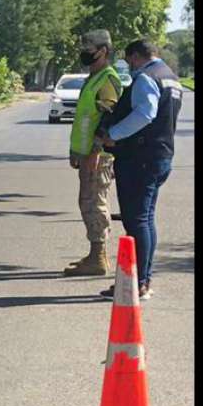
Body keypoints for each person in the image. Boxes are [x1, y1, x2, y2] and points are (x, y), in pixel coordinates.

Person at [97, 38, 184, 300]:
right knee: (145, 220)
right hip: (160, 156)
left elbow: (145, 113)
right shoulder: (171, 77)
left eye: (129, 61)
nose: (130, 67)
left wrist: (114, 134)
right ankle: (142, 279)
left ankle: (137, 284)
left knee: (137, 222)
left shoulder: (147, 78)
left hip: (140, 159)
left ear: (136, 56)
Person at [62, 30, 124, 276]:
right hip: (87, 152)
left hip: (97, 154)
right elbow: (86, 118)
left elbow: (110, 115)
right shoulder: (93, 77)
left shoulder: (107, 78)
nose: (85, 53)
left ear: (104, 51)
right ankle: (94, 253)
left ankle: (98, 257)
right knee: (86, 200)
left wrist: (95, 149)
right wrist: (77, 150)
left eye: (90, 50)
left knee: (95, 201)